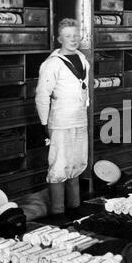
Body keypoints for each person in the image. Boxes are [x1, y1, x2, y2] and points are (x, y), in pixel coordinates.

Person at [35, 18, 90, 216]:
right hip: (60, 121)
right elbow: (42, 96)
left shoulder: (83, 59)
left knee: (77, 163)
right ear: (59, 39)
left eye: (76, 35)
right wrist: (44, 124)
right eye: (68, 36)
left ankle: (75, 209)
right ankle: (58, 214)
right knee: (59, 166)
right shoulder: (52, 64)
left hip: (79, 119)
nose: (73, 39)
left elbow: (84, 92)